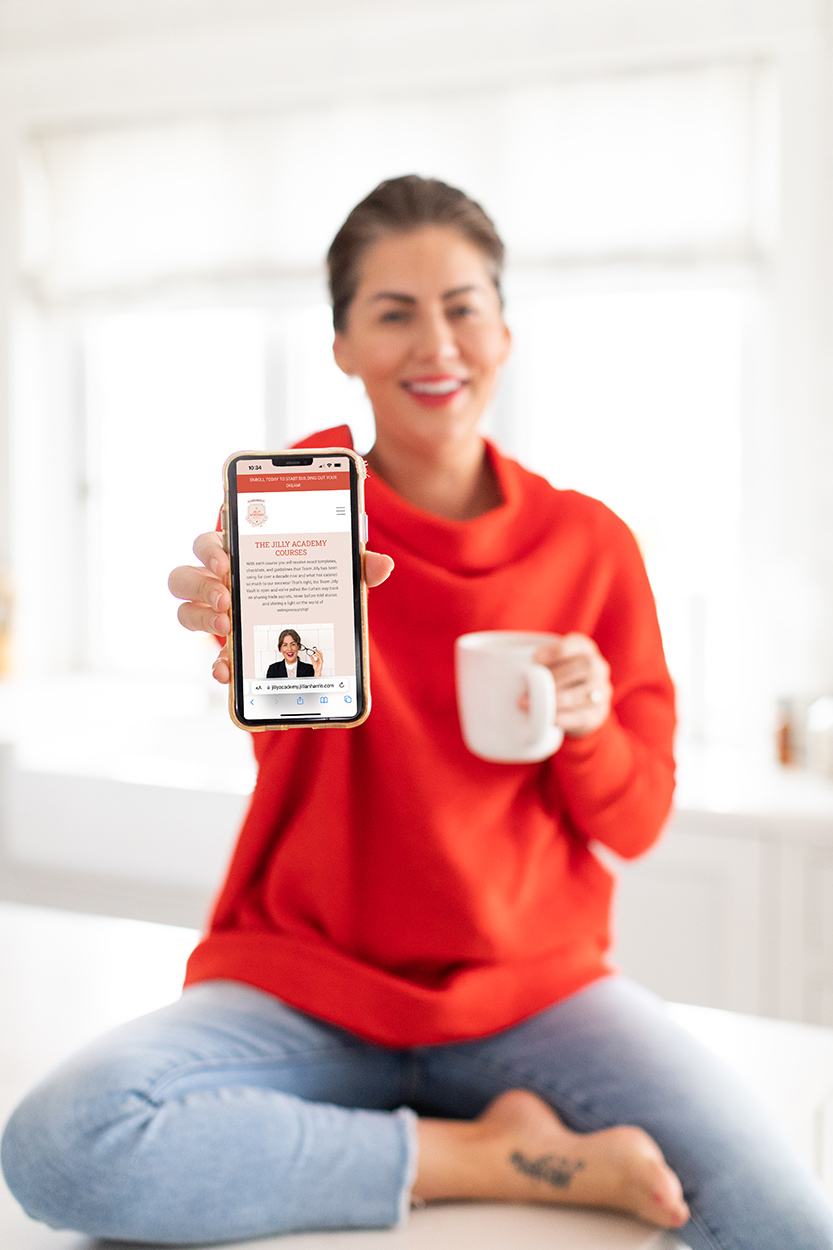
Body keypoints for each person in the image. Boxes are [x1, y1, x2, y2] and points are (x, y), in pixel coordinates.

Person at [3, 176, 832, 1250]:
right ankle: (496, 1154)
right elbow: (290, 732)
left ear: (503, 329)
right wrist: (244, 641)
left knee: (788, 1222)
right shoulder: (303, 513)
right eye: (391, 311)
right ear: (342, 344)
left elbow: (632, 822)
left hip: (537, 990)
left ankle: (482, 1136)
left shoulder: (590, 545)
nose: (432, 342)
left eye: (461, 305)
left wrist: (586, 728)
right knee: (63, 1144)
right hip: (304, 983)